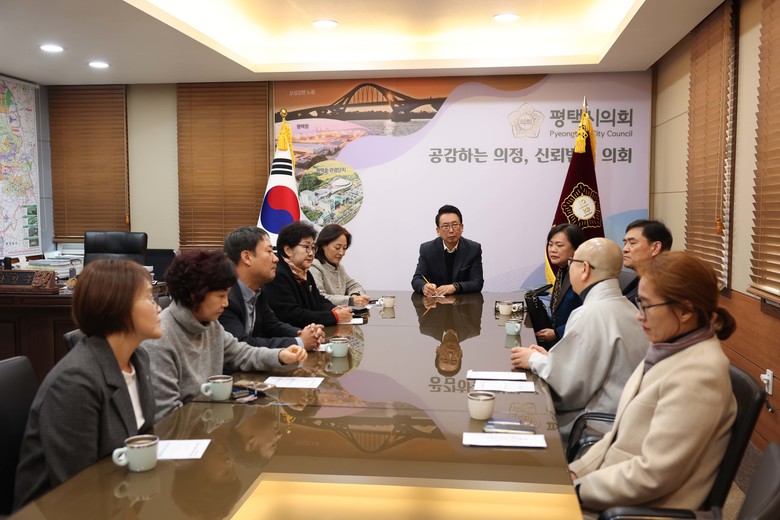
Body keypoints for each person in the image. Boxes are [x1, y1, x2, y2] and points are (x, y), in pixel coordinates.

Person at [569, 251, 737, 513]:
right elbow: (616, 438)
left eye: (646, 305)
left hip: (638, 510)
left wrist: (578, 491)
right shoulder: (668, 347)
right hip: (615, 491)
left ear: (685, 311)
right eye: (639, 302)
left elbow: (653, 475)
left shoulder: (699, 375)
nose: (639, 315)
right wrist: (576, 473)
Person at [14, 260, 160, 509]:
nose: (158, 307)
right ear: (117, 307)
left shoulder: (138, 359)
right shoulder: (75, 382)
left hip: (122, 495)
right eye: (149, 297)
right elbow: (76, 491)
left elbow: (141, 439)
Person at [143, 249, 307, 422]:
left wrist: (279, 356)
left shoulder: (210, 325)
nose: (226, 303)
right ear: (195, 295)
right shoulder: (160, 338)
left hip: (210, 423)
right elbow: (167, 417)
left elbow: (241, 354)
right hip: (185, 433)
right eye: (221, 296)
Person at [509, 238, 648, 439]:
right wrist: (550, 358)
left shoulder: (589, 314)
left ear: (584, 269)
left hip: (594, 426)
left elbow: (567, 389)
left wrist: (533, 360)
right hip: (624, 420)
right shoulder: (629, 308)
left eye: (571, 262)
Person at [220, 226, 324, 350]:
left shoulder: (259, 289)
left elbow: (271, 325)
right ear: (247, 257)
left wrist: (305, 334)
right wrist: (299, 342)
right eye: (269, 252)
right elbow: (240, 345)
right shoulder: (223, 296)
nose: (276, 259)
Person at [264, 221, 353, 328]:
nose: (311, 253)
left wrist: (336, 309)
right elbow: (293, 315)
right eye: (306, 247)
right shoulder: (277, 275)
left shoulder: (304, 272)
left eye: (313, 247)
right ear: (288, 250)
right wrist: (334, 316)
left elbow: (318, 300)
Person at [411, 204, 484, 296]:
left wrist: (455, 287)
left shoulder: (473, 249)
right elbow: (417, 279)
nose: (451, 230)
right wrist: (424, 286)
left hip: (462, 302)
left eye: (455, 225)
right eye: (446, 226)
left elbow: (477, 283)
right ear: (438, 230)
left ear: (462, 227)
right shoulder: (427, 249)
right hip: (436, 302)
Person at [535, 223, 585, 347]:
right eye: (550, 244)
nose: (553, 250)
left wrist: (558, 333)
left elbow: (588, 316)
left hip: (575, 343)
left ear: (576, 248)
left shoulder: (582, 275)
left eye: (559, 245)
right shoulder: (563, 269)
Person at [311, 223, 370, 307]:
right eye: (337, 248)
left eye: (344, 248)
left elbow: (354, 286)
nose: (342, 253)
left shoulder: (339, 267)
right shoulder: (314, 266)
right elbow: (320, 298)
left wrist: (355, 295)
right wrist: (350, 300)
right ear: (324, 245)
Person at [621, 219, 673, 302]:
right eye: (625, 243)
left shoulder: (659, 289)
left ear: (655, 248)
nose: (625, 249)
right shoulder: (642, 279)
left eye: (633, 243)